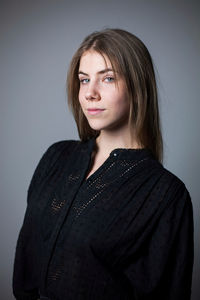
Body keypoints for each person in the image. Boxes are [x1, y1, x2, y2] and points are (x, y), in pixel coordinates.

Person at [13, 28, 194, 300]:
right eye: (84, 80)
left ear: (137, 85)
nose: (90, 93)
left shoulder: (166, 194)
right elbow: (26, 262)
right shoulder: (57, 157)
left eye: (107, 78)